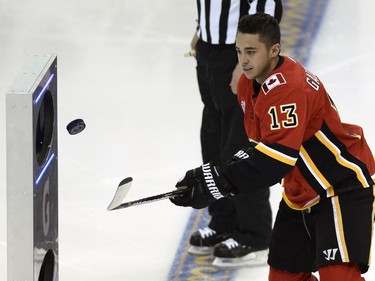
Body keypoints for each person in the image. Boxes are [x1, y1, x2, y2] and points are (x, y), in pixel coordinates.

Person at [172, 13, 375, 281]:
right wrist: (212, 176)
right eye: (239, 51)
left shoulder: (288, 89)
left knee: (337, 277)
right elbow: (259, 148)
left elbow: (277, 160)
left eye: (252, 51)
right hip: (299, 196)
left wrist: (216, 183)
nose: (243, 60)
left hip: (340, 188)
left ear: (274, 50)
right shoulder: (249, 84)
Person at [186, 0, 283, 268]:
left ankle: (255, 234)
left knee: (239, 144)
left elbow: (266, 6)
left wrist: (246, 60)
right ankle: (224, 221)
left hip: (235, 54)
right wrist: (201, 30)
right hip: (209, 49)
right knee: (213, 141)